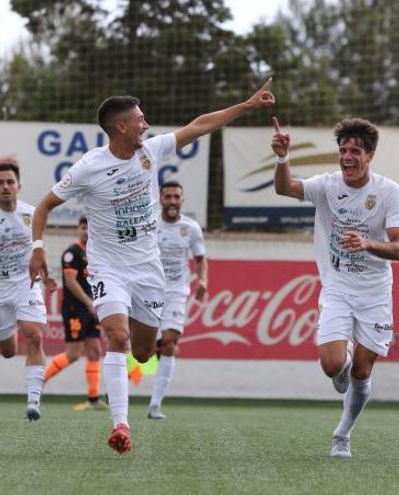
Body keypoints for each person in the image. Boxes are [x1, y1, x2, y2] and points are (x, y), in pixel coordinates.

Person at [30, 79, 275, 453]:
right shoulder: (89, 167)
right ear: (121, 127)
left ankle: (131, 363)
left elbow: (199, 125)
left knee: (143, 354)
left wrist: (245, 105)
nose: (147, 124)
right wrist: (37, 247)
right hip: (107, 267)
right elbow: (45, 205)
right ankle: (121, 425)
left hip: (148, 270)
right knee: (117, 337)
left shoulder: (151, 151)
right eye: (140, 119)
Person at [271, 117, 399, 459]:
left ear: (370, 156)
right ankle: (342, 365)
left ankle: (342, 434)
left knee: (362, 371)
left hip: (376, 293)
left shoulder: (388, 192)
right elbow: (285, 188)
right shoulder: (328, 185)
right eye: (343, 150)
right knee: (334, 366)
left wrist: (366, 243)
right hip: (337, 287)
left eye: (355, 151)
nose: (347, 156)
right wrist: (282, 158)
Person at [0, 161, 52, 421]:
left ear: (19, 185)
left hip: (26, 285)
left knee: (34, 335)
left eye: (10, 182)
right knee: (8, 351)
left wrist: (47, 276)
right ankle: (7, 329)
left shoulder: (32, 213)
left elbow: (39, 248)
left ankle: (33, 401)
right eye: (0, 183)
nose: (6, 187)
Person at [147, 181, 207, 420]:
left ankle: (154, 404)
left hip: (176, 291)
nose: (172, 201)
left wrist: (202, 281)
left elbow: (201, 258)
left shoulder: (190, 227)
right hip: (149, 290)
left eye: (176, 197)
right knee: (143, 347)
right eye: (168, 197)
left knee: (170, 341)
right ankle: (127, 376)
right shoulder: (150, 223)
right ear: (161, 199)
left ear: (182, 200)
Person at [44, 216, 107, 412]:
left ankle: (93, 398)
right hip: (76, 309)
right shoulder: (72, 253)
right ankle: (38, 382)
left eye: (90, 227)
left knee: (95, 350)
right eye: (83, 227)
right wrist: (89, 303)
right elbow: (70, 281)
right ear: (79, 229)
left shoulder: (98, 253)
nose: (87, 231)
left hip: (92, 308)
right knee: (73, 354)